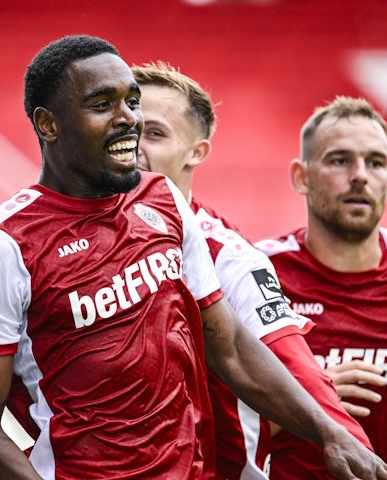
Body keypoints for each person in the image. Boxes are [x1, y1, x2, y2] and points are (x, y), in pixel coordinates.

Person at [0, 35, 387, 480]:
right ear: (48, 124)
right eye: (105, 104)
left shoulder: (169, 207)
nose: (126, 119)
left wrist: (330, 430)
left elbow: (235, 349)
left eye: (134, 105)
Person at [131, 62, 371, 479]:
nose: (133, 146)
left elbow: (287, 357)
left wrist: (340, 435)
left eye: (154, 133)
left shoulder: (227, 256)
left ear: (197, 151)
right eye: (127, 129)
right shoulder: (60, 241)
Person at [253, 95, 387, 479]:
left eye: (374, 162)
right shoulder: (259, 272)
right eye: (340, 160)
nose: (360, 174)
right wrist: (307, 401)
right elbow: (214, 422)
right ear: (302, 176)